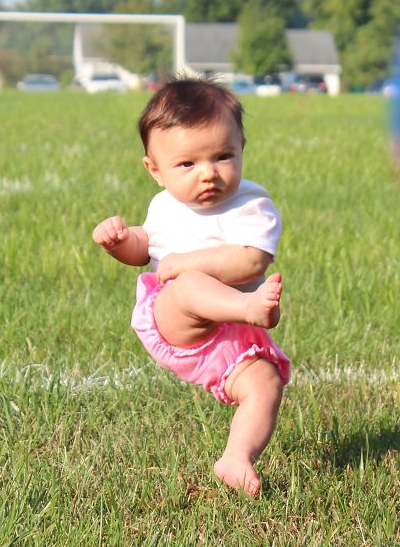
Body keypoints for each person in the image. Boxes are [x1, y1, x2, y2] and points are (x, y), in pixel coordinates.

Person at [92, 78, 290, 496]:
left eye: (223, 156)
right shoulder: (165, 206)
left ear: (242, 150)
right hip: (174, 319)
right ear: (155, 170)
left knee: (265, 384)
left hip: (229, 338)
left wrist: (187, 263)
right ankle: (250, 309)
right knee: (188, 284)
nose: (208, 174)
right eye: (187, 165)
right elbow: (146, 248)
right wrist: (120, 242)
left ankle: (237, 457)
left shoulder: (253, 204)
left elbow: (252, 260)